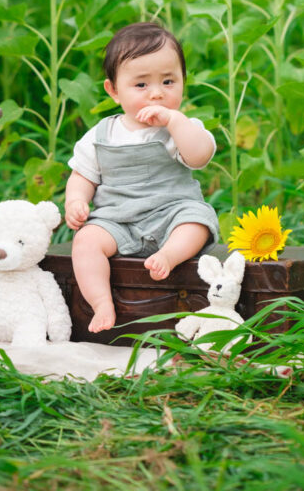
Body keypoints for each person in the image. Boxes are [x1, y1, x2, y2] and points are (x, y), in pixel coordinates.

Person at [65, 21, 219, 333]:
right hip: (118, 221)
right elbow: (83, 174)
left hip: (172, 212)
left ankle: (169, 255)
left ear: (182, 83)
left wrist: (176, 122)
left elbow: (200, 155)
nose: (157, 94)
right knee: (85, 241)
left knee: (197, 222)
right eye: (141, 85)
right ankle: (101, 303)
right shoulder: (101, 134)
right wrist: (76, 200)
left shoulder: (180, 128)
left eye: (168, 81)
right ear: (113, 90)